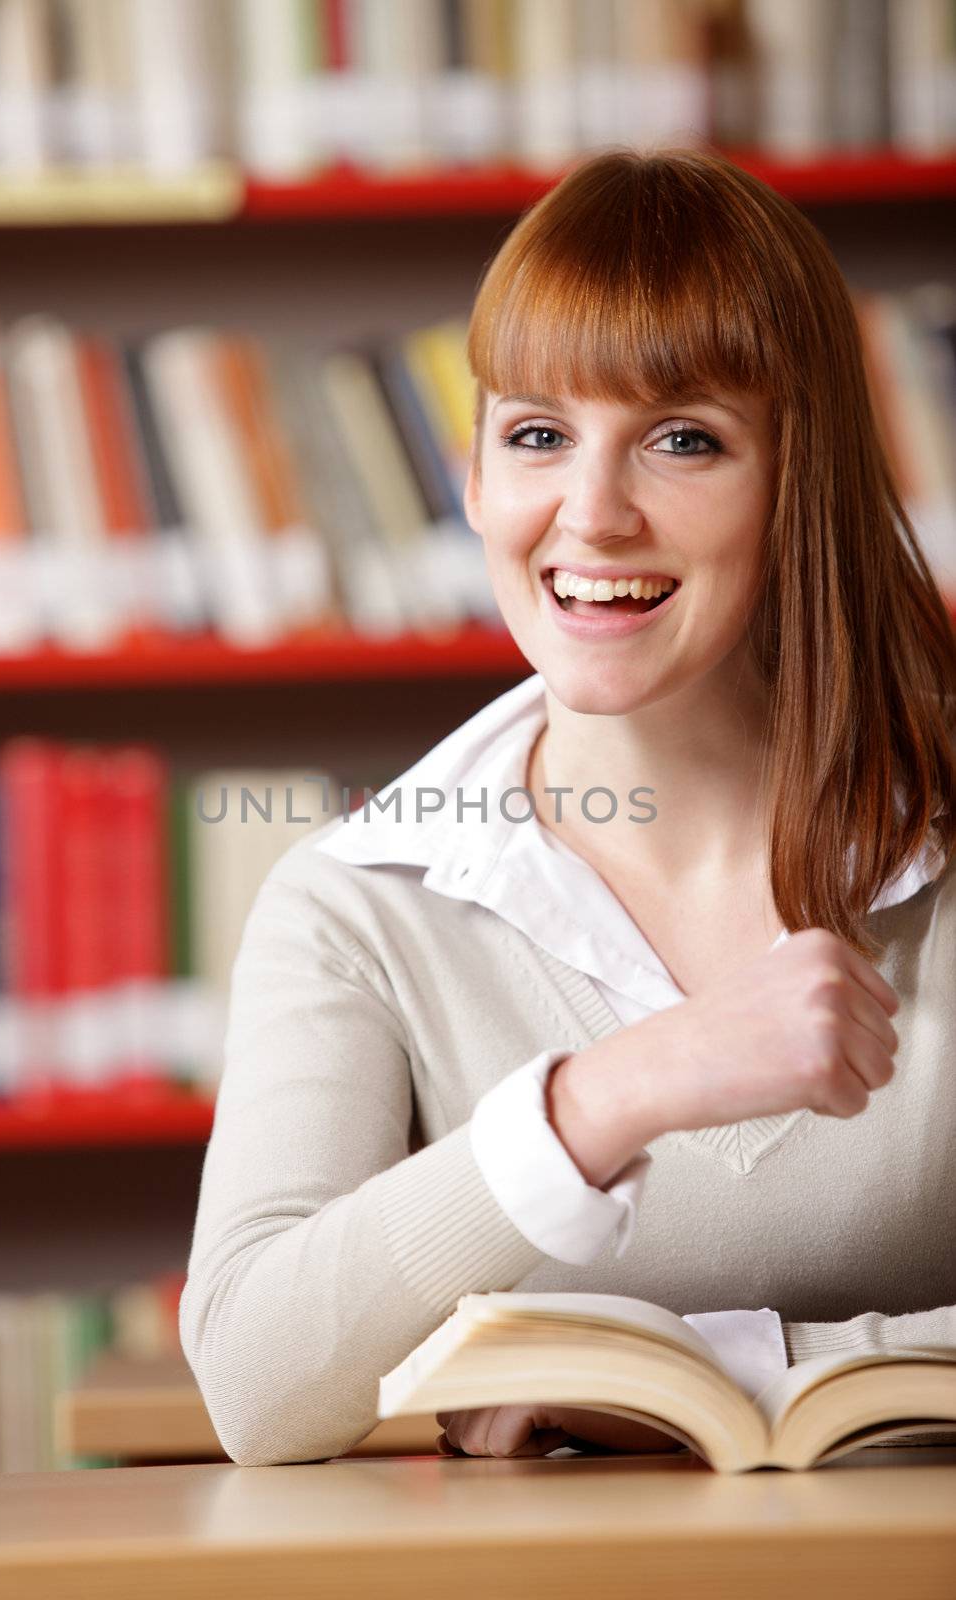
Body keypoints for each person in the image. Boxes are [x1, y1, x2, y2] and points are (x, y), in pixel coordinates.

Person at [179, 147, 956, 1468]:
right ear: (475, 480)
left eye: (683, 441)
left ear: (800, 483)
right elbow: (256, 1381)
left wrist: (697, 1375)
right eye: (537, 435)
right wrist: (612, 1094)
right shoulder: (361, 900)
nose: (591, 515)